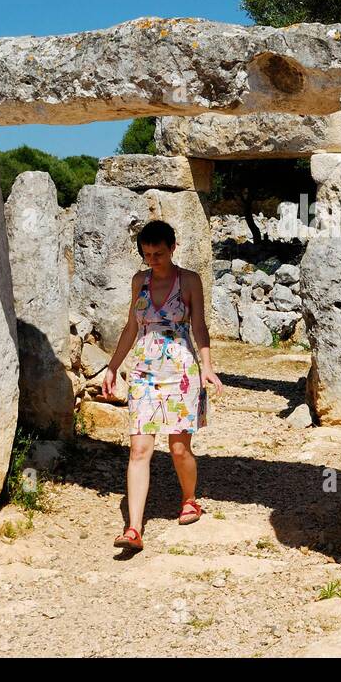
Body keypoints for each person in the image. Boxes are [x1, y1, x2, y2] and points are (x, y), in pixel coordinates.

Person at [100, 219, 224, 553]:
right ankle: (134, 528)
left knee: (179, 448)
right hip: (143, 371)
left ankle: (189, 499)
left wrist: (208, 368)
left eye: (158, 253)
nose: (152, 260)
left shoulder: (190, 281)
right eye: (147, 254)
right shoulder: (138, 281)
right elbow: (130, 327)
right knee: (139, 449)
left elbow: (199, 326)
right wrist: (112, 367)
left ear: (172, 248)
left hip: (181, 370)